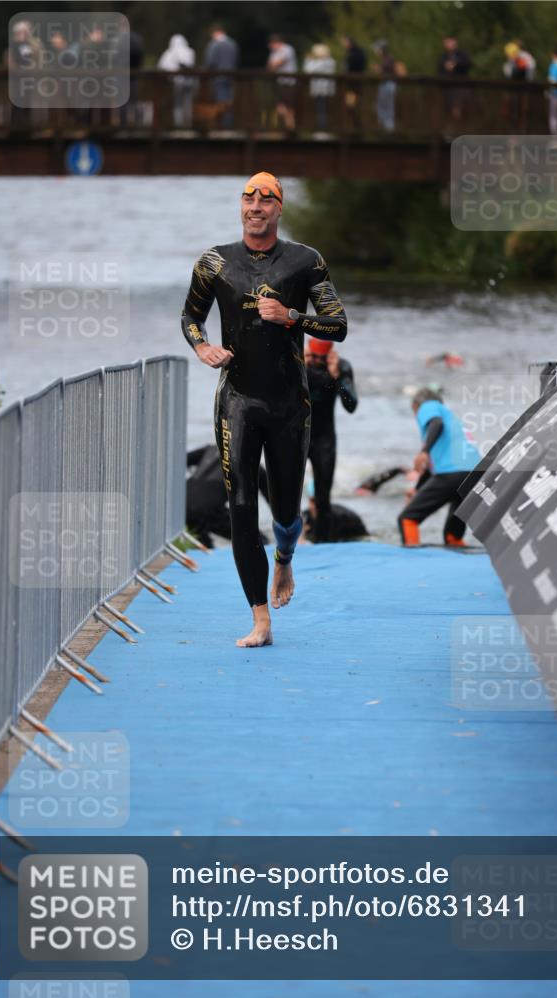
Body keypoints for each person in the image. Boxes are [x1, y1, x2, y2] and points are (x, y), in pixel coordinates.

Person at [180, 172, 348, 647]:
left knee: (288, 512)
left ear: (280, 208)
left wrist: (292, 316)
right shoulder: (215, 262)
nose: (256, 206)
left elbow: (338, 325)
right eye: (248, 197)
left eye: (266, 199)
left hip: (289, 404)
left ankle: (285, 557)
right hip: (237, 399)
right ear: (241, 207)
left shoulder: (305, 262)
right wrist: (203, 348)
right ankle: (260, 619)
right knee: (239, 507)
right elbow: (190, 316)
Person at [398, 387, 481, 547]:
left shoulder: (428, 406)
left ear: (416, 406)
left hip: (453, 473)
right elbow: (431, 468)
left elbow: (437, 423)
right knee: (451, 534)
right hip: (475, 475)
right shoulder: (453, 422)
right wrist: (417, 490)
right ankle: (458, 550)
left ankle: (410, 560)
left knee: (407, 519)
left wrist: (424, 451)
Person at [305, 337, 357, 542]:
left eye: (322, 357)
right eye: (314, 356)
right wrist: (299, 366)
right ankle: (287, 545)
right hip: (298, 435)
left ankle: (322, 544)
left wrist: (336, 377)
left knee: (323, 499)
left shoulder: (341, 367)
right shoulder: (298, 361)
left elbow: (351, 405)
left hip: (324, 439)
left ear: (330, 355)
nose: (318, 360)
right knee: (286, 493)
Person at [186, 445, 268, 548]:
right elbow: (273, 500)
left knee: (204, 547)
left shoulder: (210, 450)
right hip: (208, 508)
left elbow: (178, 461)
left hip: (183, 504)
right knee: (258, 541)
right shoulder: (252, 465)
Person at [203, 25, 239, 127]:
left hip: (218, 77)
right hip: (231, 76)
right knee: (229, 102)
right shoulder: (233, 44)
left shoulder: (214, 45)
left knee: (219, 103)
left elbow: (210, 62)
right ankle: (229, 125)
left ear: (215, 33)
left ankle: (221, 127)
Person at [158, 34, 196, 128]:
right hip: (189, 82)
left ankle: (178, 125)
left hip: (176, 82)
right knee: (188, 103)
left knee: (177, 104)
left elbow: (161, 66)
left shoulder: (170, 52)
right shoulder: (190, 51)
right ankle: (188, 124)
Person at [303, 43, 336, 134]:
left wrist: (308, 59)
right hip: (320, 90)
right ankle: (321, 127)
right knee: (320, 108)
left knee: (322, 109)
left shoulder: (327, 61)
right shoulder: (328, 61)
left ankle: (322, 128)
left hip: (323, 90)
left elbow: (308, 70)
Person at [267, 35, 298, 131]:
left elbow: (279, 63)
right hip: (280, 81)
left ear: (276, 43)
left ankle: (290, 126)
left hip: (290, 82)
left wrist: (274, 64)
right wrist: (274, 64)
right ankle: (289, 126)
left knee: (289, 106)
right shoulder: (274, 53)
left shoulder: (288, 49)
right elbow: (270, 66)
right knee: (281, 106)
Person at [437, 36, 471, 122]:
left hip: (461, 87)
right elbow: (439, 71)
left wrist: (456, 64)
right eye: (446, 42)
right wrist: (445, 67)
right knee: (448, 109)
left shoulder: (462, 54)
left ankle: (459, 128)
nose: (448, 44)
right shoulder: (443, 56)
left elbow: (468, 64)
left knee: (459, 108)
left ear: (455, 42)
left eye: (450, 41)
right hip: (447, 88)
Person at [341, 35, 367, 131]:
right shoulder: (355, 52)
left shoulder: (354, 53)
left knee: (352, 105)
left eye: (344, 42)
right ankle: (355, 127)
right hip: (353, 83)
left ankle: (356, 127)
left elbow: (354, 65)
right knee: (351, 105)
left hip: (354, 83)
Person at [374, 40, 397, 132]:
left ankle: (389, 128)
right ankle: (385, 127)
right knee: (382, 105)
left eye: (378, 49)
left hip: (388, 84)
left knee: (388, 106)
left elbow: (385, 70)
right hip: (385, 84)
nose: (377, 51)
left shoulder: (388, 58)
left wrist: (378, 69)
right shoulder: (385, 59)